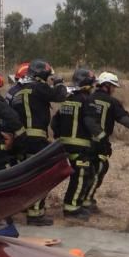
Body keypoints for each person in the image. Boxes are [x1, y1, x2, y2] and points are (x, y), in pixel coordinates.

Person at [11, 59, 68, 225]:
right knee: (40, 177)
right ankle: (35, 214)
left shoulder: (18, 93)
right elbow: (60, 95)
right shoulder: (39, 87)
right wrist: (59, 82)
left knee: (25, 177)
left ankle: (23, 207)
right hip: (37, 140)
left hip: (21, 140)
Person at [85, 71, 129, 213]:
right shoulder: (111, 102)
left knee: (84, 172)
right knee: (100, 169)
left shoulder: (87, 98)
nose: (114, 90)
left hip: (83, 143)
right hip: (100, 144)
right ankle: (87, 201)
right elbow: (125, 120)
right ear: (106, 86)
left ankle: (81, 199)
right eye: (113, 86)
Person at [52, 67, 104, 220]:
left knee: (79, 174)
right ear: (87, 84)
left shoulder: (68, 100)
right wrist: (102, 138)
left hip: (63, 145)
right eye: (92, 85)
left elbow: (55, 122)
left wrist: (59, 136)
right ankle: (72, 209)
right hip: (80, 146)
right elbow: (90, 122)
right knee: (81, 174)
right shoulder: (86, 101)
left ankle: (74, 205)